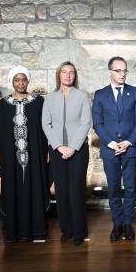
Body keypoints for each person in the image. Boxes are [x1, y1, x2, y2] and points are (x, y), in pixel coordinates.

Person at [0, 66, 49, 242]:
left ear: (28, 81)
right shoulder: (3, 104)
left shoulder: (38, 102)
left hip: (34, 153)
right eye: (17, 80)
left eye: (23, 79)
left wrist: (47, 150)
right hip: (9, 155)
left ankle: (35, 228)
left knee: (34, 186)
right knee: (12, 188)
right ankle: (13, 229)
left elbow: (45, 127)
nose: (20, 83)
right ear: (12, 82)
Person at [92, 57, 136, 241]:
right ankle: (117, 223)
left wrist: (129, 142)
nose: (122, 74)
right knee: (114, 188)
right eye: (118, 70)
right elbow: (98, 123)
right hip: (110, 150)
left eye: (125, 71)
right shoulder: (100, 95)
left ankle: (128, 223)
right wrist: (112, 144)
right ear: (110, 72)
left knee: (130, 188)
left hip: (131, 148)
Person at [42, 61, 92, 246]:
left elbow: (85, 123)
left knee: (77, 190)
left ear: (75, 76)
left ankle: (79, 231)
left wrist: (72, 147)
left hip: (78, 150)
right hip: (57, 150)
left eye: (71, 72)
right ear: (59, 75)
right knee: (61, 191)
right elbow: (45, 124)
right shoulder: (49, 98)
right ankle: (67, 229)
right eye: (64, 72)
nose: (68, 75)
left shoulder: (82, 96)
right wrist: (59, 146)